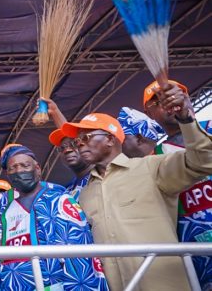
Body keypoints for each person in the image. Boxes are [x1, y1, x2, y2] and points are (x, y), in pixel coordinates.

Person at [61, 81, 211, 291]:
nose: (80, 145)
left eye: (85, 138)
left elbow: (204, 161)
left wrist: (186, 119)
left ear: (110, 140)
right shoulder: (83, 195)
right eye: (77, 142)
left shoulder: (151, 167)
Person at [0, 144, 107, 290]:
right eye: (12, 168)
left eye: (25, 165)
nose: (19, 171)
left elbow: (78, 253)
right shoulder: (5, 210)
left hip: (55, 285)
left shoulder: (59, 200)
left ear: (37, 169)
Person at [143, 80, 212, 289]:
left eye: (172, 95)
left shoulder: (210, 127)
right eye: (158, 102)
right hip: (198, 254)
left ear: (186, 97)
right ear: (149, 113)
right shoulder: (155, 158)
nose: (168, 102)